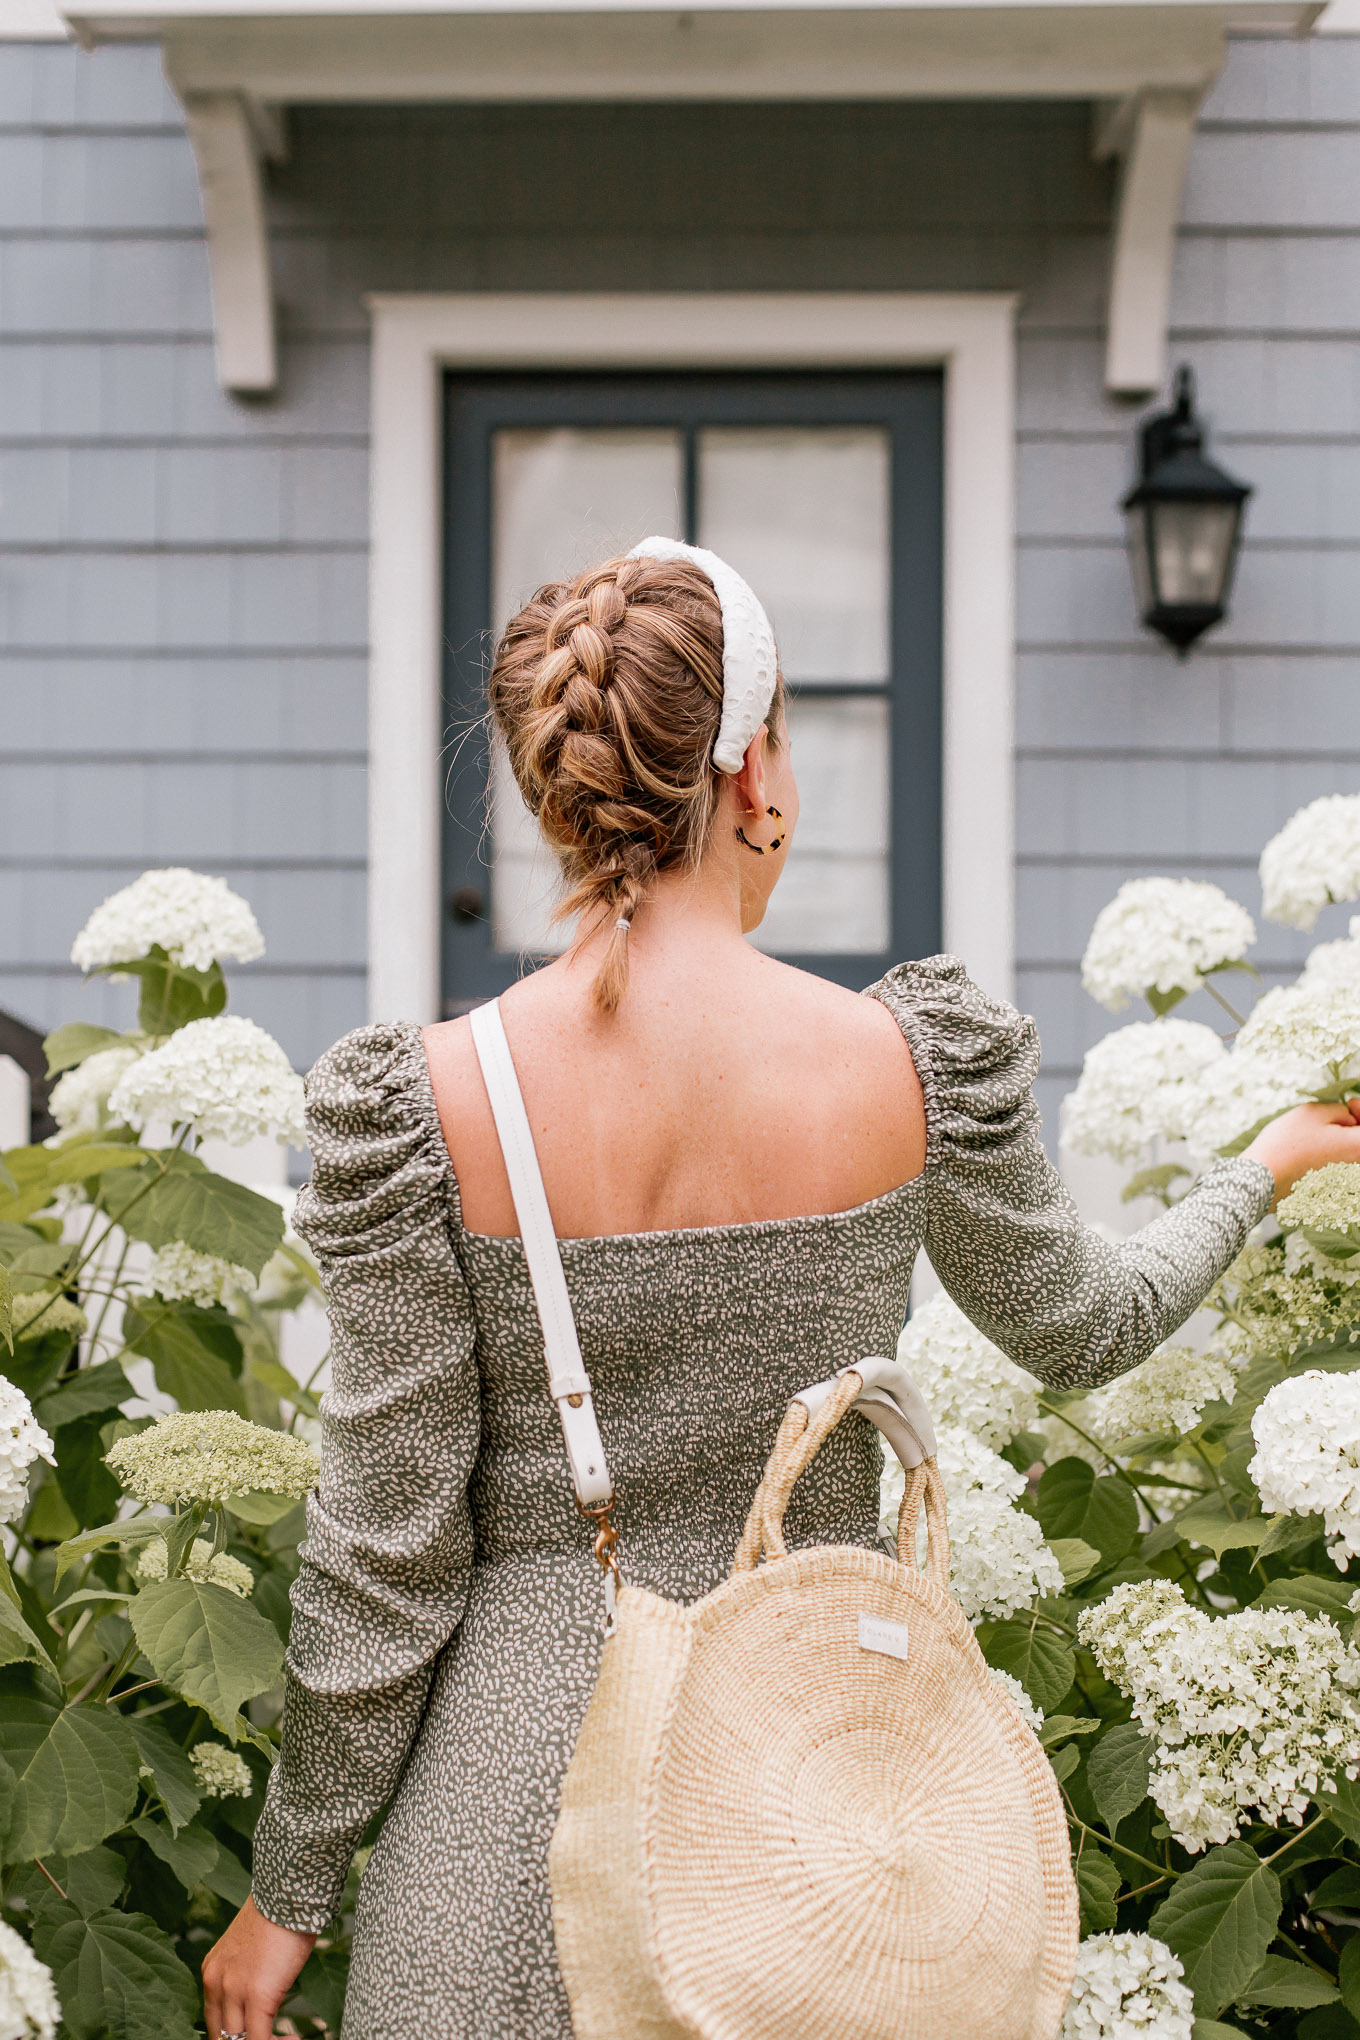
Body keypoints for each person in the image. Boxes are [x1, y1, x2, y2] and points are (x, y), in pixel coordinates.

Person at [203, 540, 1360, 2040]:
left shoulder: (430, 1104)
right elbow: (1086, 1328)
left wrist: (288, 1889)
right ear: (752, 768)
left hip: (504, 1851)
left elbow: (386, 1549)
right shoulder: (904, 1066)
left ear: (563, 788)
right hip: (812, 1839)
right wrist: (1259, 1166)